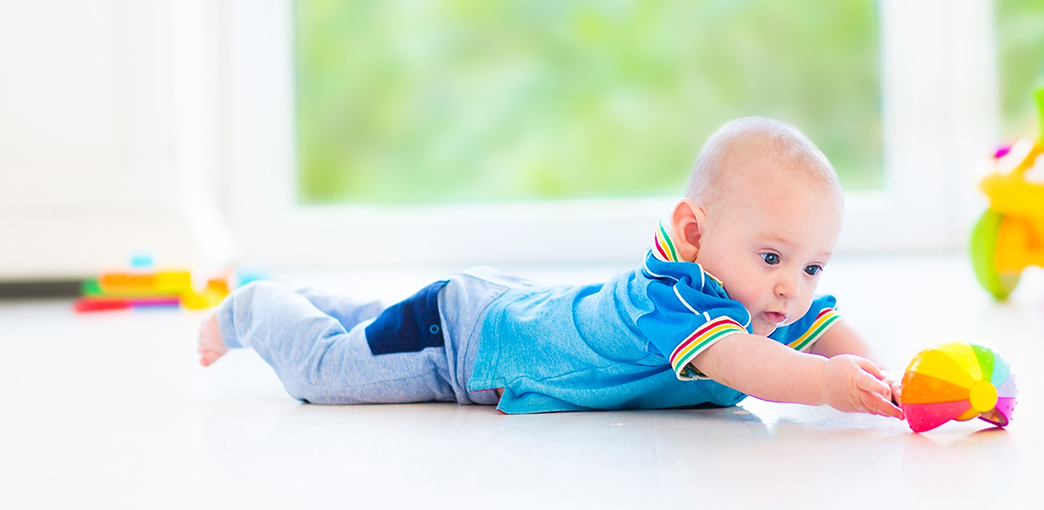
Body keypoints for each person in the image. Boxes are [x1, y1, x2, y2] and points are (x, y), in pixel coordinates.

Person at [199, 117, 902, 419]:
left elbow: (829, 327)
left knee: (369, 327)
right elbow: (746, 365)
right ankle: (256, 308)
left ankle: (317, 301)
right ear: (695, 232)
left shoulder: (767, 297)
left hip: (506, 306)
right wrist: (828, 386)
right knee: (327, 373)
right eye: (774, 257)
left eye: (813, 266)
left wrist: (882, 381)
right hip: (463, 342)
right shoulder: (676, 302)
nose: (793, 286)